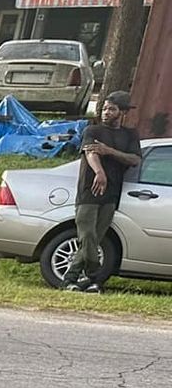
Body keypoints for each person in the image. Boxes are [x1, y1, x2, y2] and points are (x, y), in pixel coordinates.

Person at [63, 90, 142, 292]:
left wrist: (109, 151)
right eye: (105, 108)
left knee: (96, 238)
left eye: (112, 109)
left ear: (123, 112)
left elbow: (134, 159)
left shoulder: (130, 135)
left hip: (112, 193)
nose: (106, 112)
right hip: (90, 191)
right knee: (87, 235)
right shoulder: (94, 131)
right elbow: (91, 152)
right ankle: (95, 277)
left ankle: (71, 280)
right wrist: (100, 172)